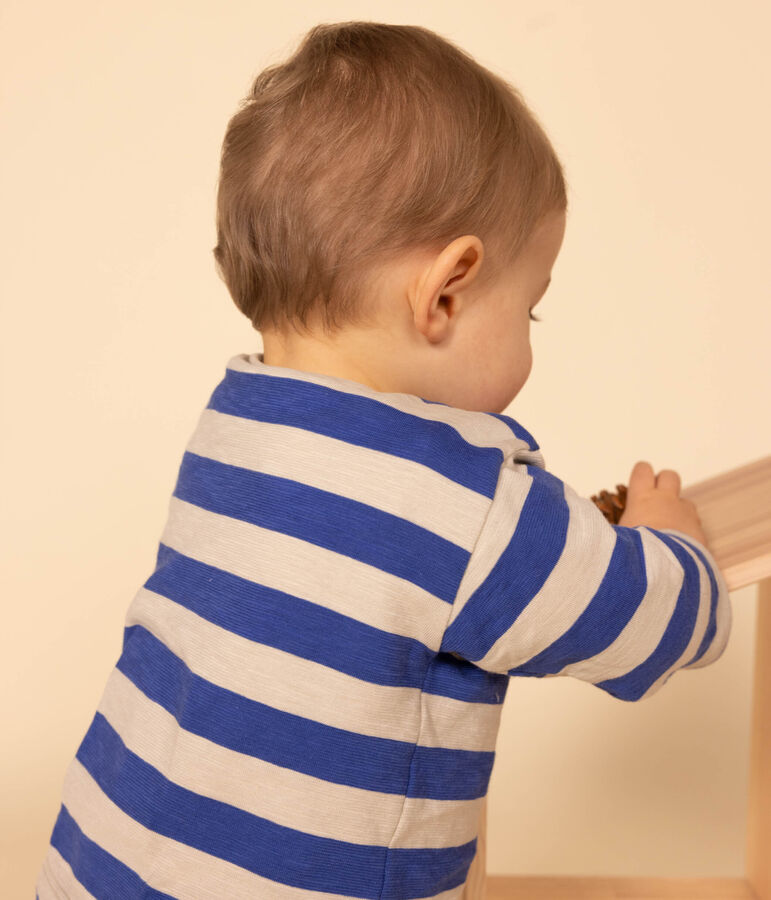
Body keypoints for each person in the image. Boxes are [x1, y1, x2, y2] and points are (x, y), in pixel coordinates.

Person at [35, 21, 731, 899]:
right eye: (529, 311)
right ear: (446, 291)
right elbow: (649, 628)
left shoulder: (232, 429)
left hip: (100, 867)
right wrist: (674, 549)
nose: (529, 338)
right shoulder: (466, 502)